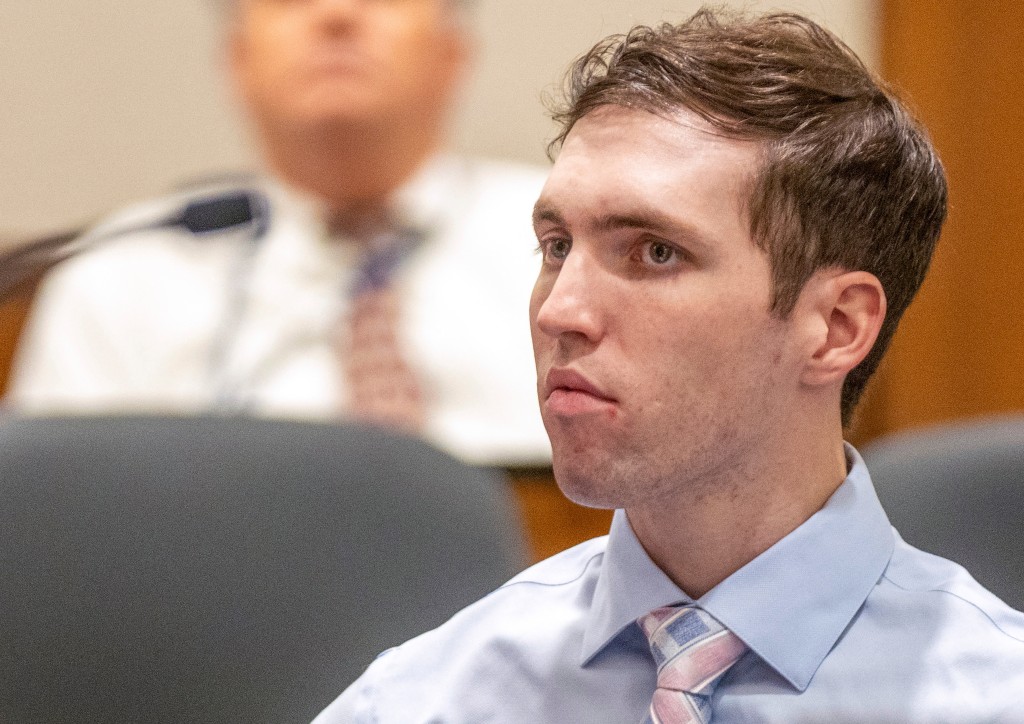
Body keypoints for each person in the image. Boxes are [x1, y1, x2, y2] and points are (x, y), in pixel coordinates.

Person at [314, 8, 1024, 722]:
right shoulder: (424, 697)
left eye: (654, 252)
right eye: (557, 246)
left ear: (836, 327)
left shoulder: (992, 697)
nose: (560, 311)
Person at [6, 0, 550, 466]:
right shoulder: (122, 271)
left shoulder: (568, 244)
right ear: (236, 58)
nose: (336, 15)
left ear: (453, 52)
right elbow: (52, 527)